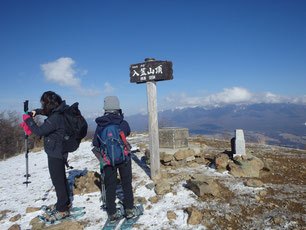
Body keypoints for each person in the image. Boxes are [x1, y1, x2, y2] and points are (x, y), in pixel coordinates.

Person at [22, 91, 71, 221]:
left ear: (48, 104)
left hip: (56, 152)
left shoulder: (55, 118)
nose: (42, 105)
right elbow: (48, 112)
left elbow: (40, 131)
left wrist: (28, 120)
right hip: (60, 149)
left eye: (43, 103)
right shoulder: (60, 110)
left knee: (58, 181)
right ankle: (65, 203)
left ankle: (62, 209)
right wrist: (36, 112)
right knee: (61, 178)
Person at [92, 96, 134, 223]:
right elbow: (128, 133)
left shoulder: (100, 125)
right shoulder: (122, 123)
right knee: (126, 183)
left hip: (108, 161)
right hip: (124, 158)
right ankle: (129, 209)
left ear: (105, 108)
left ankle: (111, 213)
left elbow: (96, 143)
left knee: (110, 185)